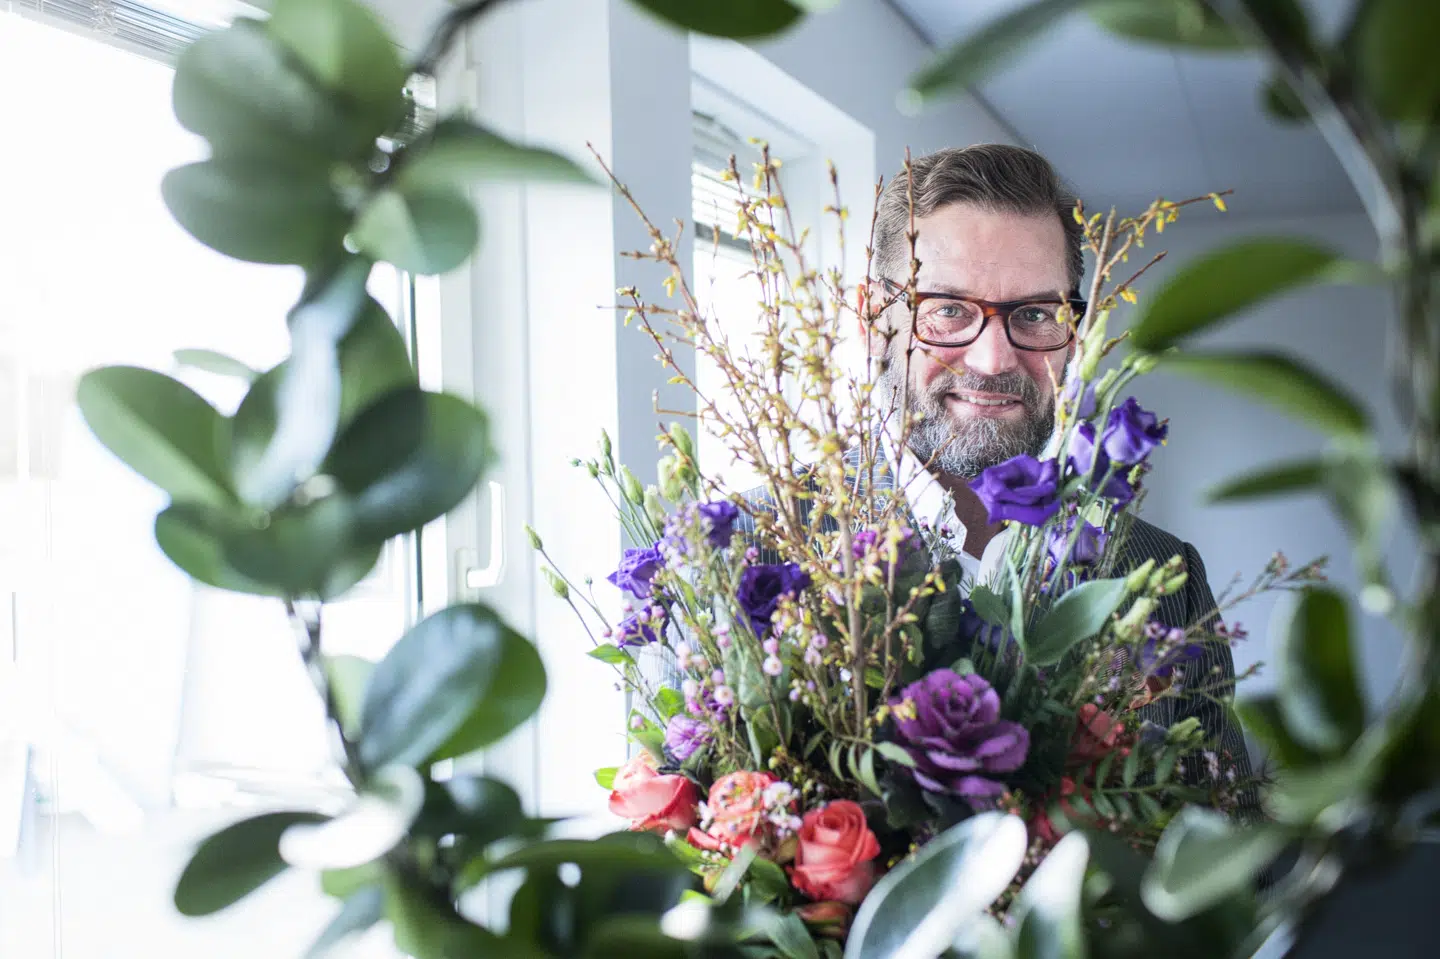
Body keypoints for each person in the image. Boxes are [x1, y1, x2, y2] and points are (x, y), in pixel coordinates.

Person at [854, 144, 1259, 818]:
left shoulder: (1165, 575)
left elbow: (1229, 853)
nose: (993, 359)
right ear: (875, 318)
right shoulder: (744, 553)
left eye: (1037, 314)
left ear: (1076, 331)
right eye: (947, 309)